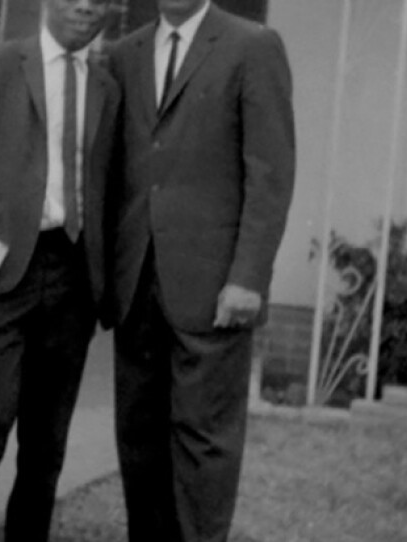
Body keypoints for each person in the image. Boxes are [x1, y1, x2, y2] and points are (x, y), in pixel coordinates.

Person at [0, 0, 118, 540]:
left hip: (74, 276)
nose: (85, 7)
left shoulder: (107, 87)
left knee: (46, 441)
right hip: (2, 271)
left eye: (99, 0)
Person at [107, 1, 295, 540]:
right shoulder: (126, 53)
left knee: (203, 442)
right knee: (138, 438)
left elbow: (271, 174)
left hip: (214, 290)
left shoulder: (252, 47)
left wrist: (248, 277)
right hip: (137, 281)